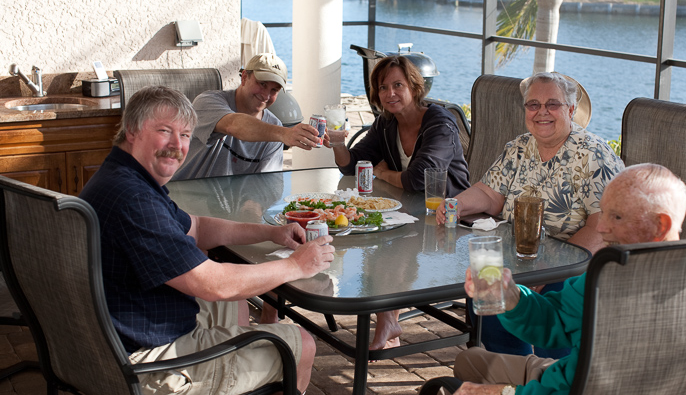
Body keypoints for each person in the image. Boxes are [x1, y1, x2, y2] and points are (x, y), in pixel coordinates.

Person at [80, 86, 335, 395]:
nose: (177, 145)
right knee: (301, 345)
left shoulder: (122, 177)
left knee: (234, 304)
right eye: (164, 130)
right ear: (133, 130)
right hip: (149, 373)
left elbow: (197, 227)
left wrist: (271, 233)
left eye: (184, 134)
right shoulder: (135, 200)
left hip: (124, 334)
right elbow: (211, 283)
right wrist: (297, 266)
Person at [399, 163, 686, 395]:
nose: (600, 227)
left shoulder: (632, 301)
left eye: (616, 217)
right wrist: (512, 296)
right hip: (570, 381)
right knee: (470, 360)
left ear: (660, 224)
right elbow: (557, 317)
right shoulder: (646, 271)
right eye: (603, 212)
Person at [437, 71, 624, 358]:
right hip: (521, 257)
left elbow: (603, 226)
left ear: (571, 110)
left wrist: (551, 267)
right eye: (533, 105)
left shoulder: (591, 155)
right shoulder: (520, 147)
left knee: (531, 302)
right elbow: (490, 194)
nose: (541, 112)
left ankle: (551, 378)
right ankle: (513, 371)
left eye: (553, 104)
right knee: (486, 293)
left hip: (576, 265)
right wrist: (457, 204)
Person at [326, 55, 470, 350]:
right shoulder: (385, 123)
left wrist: (383, 173)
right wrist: (339, 143)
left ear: (415, 88)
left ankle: (388, 319)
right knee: (370, 235)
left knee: (382, 244)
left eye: (397, 85)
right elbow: (351, 165)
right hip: (410, 213)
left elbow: (419, 178)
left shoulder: (441, 123)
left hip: (449, 217)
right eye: (382, 87)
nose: (389, 93)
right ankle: (388, 319)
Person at [173, 53, 320, 180]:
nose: (266, 95)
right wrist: (284, 133)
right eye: (262, 84)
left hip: (227, 209)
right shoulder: (207, 101)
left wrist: (255, 204)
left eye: (274, 90)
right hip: (181, 200)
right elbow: (233, 125)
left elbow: (267, 184)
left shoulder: (275, 128)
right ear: (244, 77)